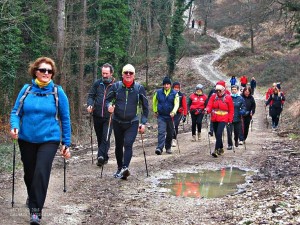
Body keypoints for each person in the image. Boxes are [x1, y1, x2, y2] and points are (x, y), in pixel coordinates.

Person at [10, 57, 71, 225]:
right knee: (30, 174)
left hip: (49, 139)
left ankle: (36, 211)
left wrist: (66, 143)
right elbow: (16, 112)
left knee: (41, 173)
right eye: (43, 70)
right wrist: (14, 126)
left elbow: (65, 119)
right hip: (26, 138)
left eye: (49, 71)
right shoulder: (26, 89)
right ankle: (33, 196)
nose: (46, 73)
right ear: (35, 71)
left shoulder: (58, 92)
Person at [106, 64, 148, 180]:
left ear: (134, 75)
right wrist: (109, 106)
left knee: (128, 144)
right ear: (122, 74)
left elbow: (145, 107)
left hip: (132, 122)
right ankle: (119, 168)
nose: (128, 75)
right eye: (126, 73)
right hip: (117, 121)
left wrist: (143, 122)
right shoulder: (116, 87)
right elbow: (107, 100)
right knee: (118, 145)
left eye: (130, 73)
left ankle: (125, 168)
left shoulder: (139, 89)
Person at [87, 63, 115, 167]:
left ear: (111, 73)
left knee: (105, 137)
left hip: (109, 116)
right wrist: (90, 105)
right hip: (97, 115)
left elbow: (118, 99)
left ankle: (100, 157)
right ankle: (104, 157)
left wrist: (114, 107)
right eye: (103, 73)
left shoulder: (115, 85)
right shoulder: (97, 83)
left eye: (106, 73)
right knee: (99, 137)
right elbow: (91, 96)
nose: (104, 75)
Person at [204, 80, 234, 157]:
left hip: (224, 118)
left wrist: (230, 120)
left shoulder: (228, 97)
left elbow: (231, 110)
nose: (218, 92)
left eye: (220, 90)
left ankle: (216, 150)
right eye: (217, 90)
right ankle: (221, 148)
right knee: (217, 135)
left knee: (218, 133)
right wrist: (207, 110)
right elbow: (209, 105)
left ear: (223, 89)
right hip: (214, 118)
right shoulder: (213, 96)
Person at [153, 76, 179, 155]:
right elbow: (154, 101)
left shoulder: (175, 93)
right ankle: (159, 148)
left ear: (170, 85)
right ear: (163, 85)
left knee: (170, 132)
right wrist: (155, 110)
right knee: (161, 131)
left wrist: (174, 112)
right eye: (165, 84)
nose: (166, 86)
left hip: (170, 116)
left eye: (168, 84)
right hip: (161, 116)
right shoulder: (158, 92)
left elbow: (177, 104)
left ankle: (168, 147)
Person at [226, 85, 246, 150]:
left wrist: (242, 111)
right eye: (232, 89)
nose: (233, 90)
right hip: (229, 118)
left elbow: (244, 107)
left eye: (235, 89)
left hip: (238, 118)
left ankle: (236, 140)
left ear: (237, 90)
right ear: (231, 90)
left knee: (236, 132)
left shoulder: (240, 98)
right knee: (229, 132)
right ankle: (230, 144)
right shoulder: (228, 98)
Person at [171, 82, 188, 147]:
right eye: (175, 87)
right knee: (170, 126)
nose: (176, 89)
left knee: (175, 125)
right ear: (173, 88)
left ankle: (174, 139)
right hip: (171, 112)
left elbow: (185, 106)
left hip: (178, 113)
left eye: (178, 88)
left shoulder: (181, 95)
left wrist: (185, 115)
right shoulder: (170, 94)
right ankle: (169, 138)